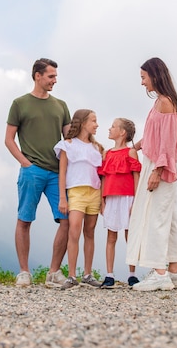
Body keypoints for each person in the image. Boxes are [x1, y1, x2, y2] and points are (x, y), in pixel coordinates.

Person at [5, 58, 72, 287]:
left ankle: (54, 272)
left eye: (55, 76)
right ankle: (24, 272)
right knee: (24, 220)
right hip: (31, 171)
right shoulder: (19, 103)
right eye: (51, 76)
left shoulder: (61, 105)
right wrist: (25, 163)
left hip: (56, 174)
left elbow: (69, 140)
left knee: (67, 219)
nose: (55, 80)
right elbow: (8, 139)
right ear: (37, 76)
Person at [125, 57, 177, 291]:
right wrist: (136, 147)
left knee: (156, 218)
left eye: (143, 77)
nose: (142, 83)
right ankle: (174, 271)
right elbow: (155, 135)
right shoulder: (161, 102)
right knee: (169, 218)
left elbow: (169, 143)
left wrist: (157, 171)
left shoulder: (166, 103)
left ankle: (159, 273)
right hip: (160, 162)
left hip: (162, 165)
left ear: (154, 75)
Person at [54, 109, 104, 290]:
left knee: (89, 232)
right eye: (93, 120)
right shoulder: (67, 144)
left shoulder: (97, 148)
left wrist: (103, 199)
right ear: (83, 123)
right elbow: (62, 173)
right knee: (74, 232)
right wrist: (62, 198)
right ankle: (72, 276)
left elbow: (102, 175)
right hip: (76, 192)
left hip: (94, 192)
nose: (96, 124)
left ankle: (88, 275)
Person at [97, 118, 142, 288]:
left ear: (122, 132)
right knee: (111, 236)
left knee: (129, 235)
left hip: (128, 197)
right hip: (111, 198)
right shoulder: (107, 154)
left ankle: (132, 274)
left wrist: (136, 201)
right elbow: (103, 177)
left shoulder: (131, 153)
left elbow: (136, 176)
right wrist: (102, 200)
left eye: (113, 126)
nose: (109, 128)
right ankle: (109, 275)